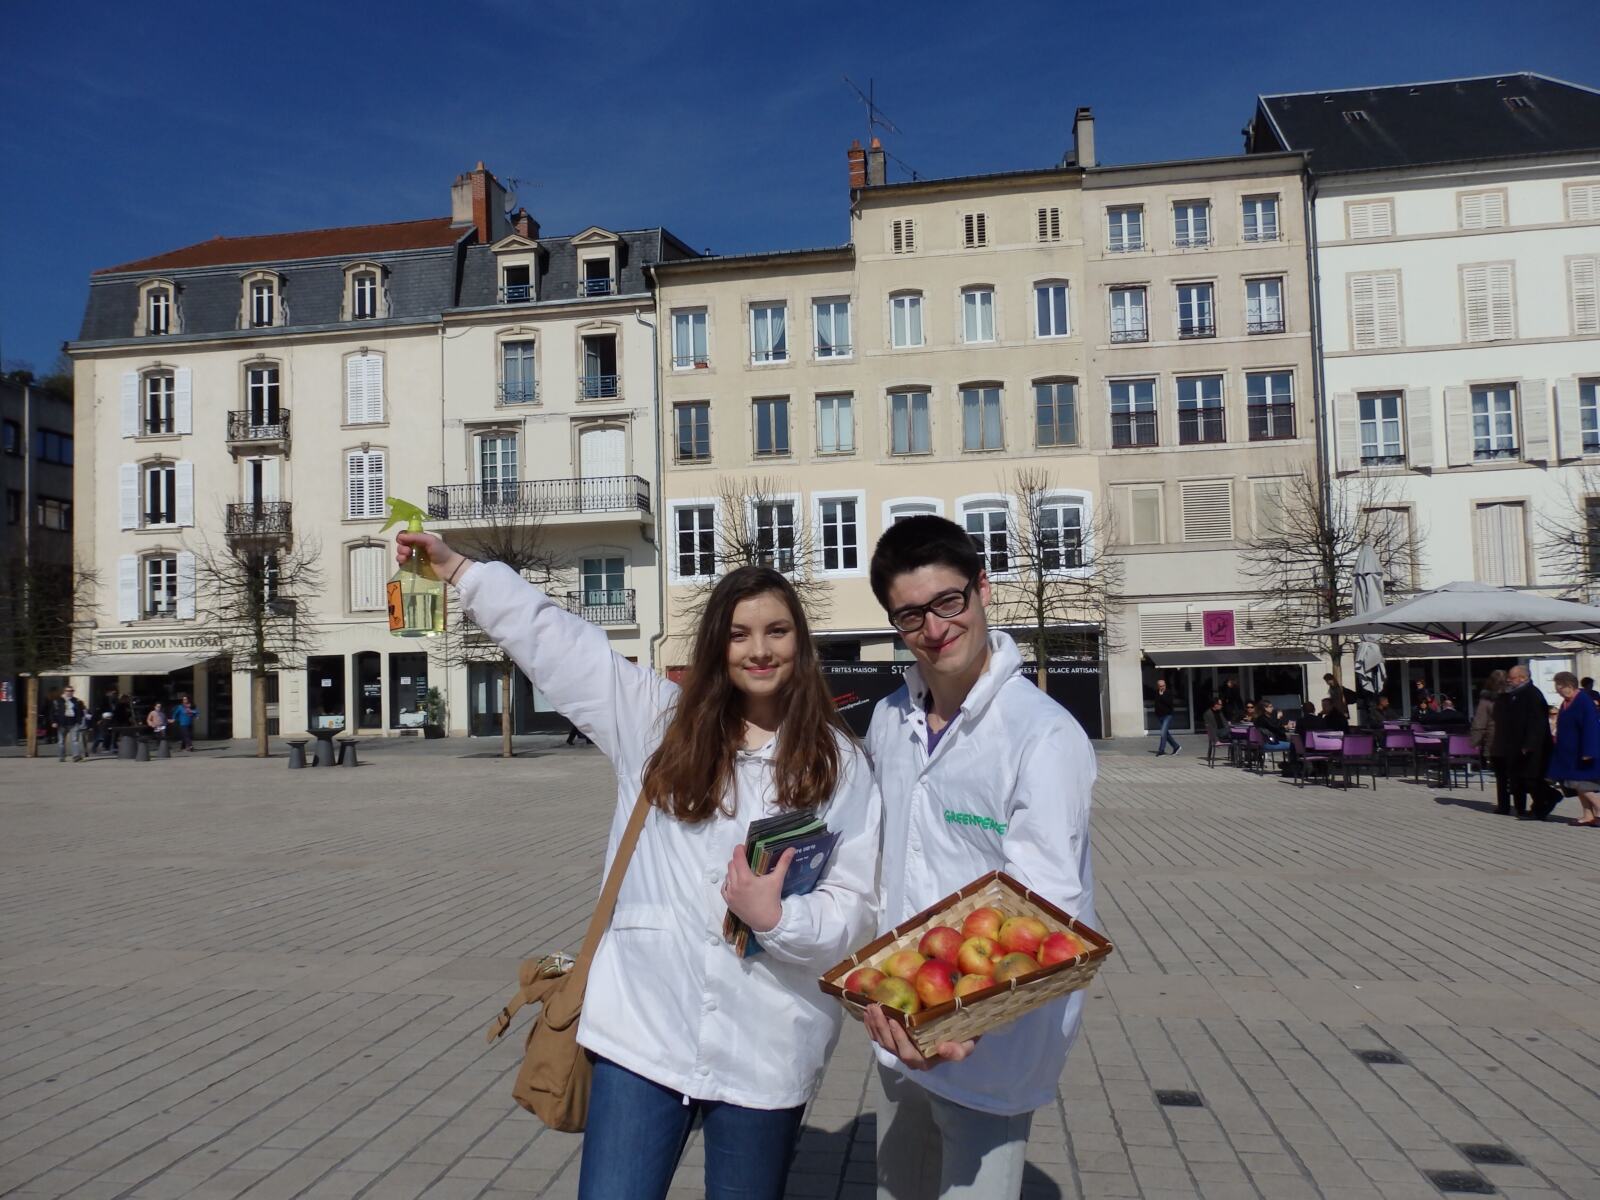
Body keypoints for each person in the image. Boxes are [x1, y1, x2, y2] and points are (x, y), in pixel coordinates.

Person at [395, 529, 880, 1200]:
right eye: (739, 634)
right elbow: (557, 643)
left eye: (776, 632)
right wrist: (461, 572)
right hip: (643, 1031)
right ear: (717, 645)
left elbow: (856, 900)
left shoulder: (839, 762)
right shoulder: (657, 721)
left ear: (801, 642)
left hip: (768, 1042)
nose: (760, 650)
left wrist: (782, 918)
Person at [860, 515, 1094, 1200]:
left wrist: (963, 1020)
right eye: (909, 615)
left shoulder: (1042, 735)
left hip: (991, 1040)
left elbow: (1050, 907)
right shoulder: (889, 721)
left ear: (982, 589)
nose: (933, 628)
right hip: (899, 1018)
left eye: (947, 601)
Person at [1492, 666, 1553, 819]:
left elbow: (1537, 722)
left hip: (1532, 747)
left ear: (1522, 678)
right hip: (1516, 745)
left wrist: (1529, 744)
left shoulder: (1532, 694)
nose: (1508, 680)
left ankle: (1547, 800)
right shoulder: (1515, 694)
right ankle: (1532, 807)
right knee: (1520, 779)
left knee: (1531, 779)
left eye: (1512, 678)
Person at [1548, 672, 1600, 826]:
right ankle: (1588, 814)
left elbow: (1591, 727)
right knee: (1577, 783)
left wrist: (1589, 751)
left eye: (1559, 686)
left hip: (1582, 751)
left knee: (1580, 784)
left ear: (1569, 686)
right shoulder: (1565, 703)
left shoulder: (1584, 701)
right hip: (1569, 752)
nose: (1557, 690)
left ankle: (1598, 808)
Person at [1471, 670, 1508, 813]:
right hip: (1514, 740)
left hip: (1495, 742)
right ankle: (1520, 806)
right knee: (1515, 774)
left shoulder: (1486, 700)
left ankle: (1503, 806)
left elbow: (1480, 723)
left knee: (1501, 776)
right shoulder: (1513, 696)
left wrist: (1474, 742)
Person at [51, 686, 88, 762]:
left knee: (75, 740)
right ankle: (62, 756)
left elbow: (81, 712)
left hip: (73, 723)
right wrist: (53, 722)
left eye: (71, 691)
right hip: (62, 723)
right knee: (61, 741)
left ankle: (76, 756)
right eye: (68, 691)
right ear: (64, 691)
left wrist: (79, 721)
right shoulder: (58, 701)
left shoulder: (77, 701)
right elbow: (53, 712)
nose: (69, 692)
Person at [1151, 678, 1180, 756]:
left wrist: (1162, 696)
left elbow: (1170, 703)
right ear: (1158, 686)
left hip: (1168, 715)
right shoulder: (1156, 693)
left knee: (1163, 732)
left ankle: (1161, 751)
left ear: (1165, 685)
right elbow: (1156, 704)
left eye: (1163, 686)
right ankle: (1176, 746)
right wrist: (1156, 713)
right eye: (1160, 686)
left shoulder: (1168, 692)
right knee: (1166, 734)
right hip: (1160, 716)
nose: (1162, 687)